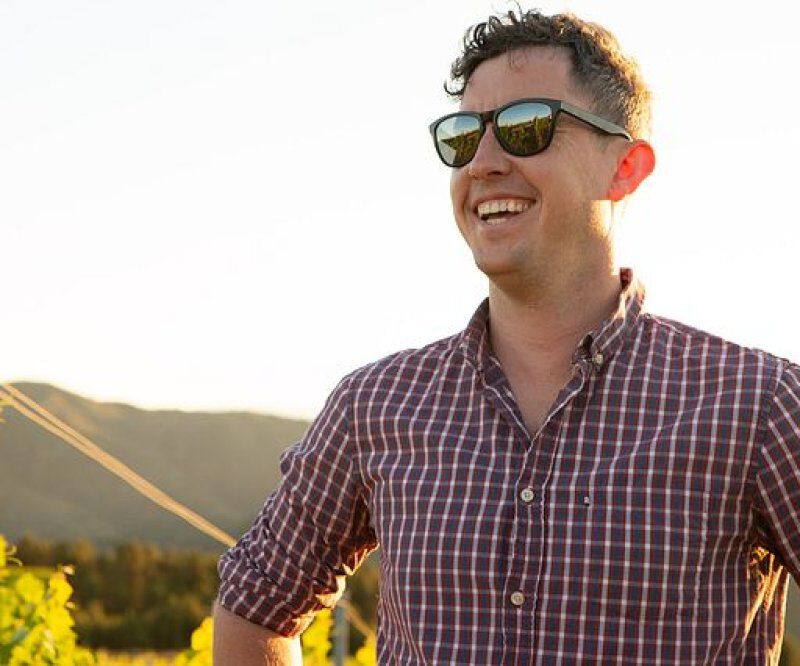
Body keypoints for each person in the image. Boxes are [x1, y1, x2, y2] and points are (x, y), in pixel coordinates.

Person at [213, 8, 800, 664]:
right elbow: (256, 603)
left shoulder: (758, 403)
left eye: (528, 128)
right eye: (463, 138)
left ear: (625, 168)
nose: (484, 163)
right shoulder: (373, 404)